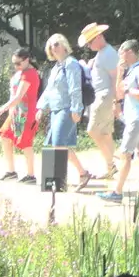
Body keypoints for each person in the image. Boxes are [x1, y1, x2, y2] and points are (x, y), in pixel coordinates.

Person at [37, 33, 95, 191]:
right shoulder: (56, 68)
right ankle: (83, 173)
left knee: (58, 143)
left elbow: (75, 88)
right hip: (55, 109)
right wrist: (41, 107)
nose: (53, 47)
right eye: (50, 45)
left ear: (64, 45)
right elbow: (49, 91)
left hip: (67, 109)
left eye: (56, 44)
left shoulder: (71, 64)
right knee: (58, 144)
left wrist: (77, 109)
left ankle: (56, 183)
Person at [98, 41, 139, 204]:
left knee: (125, 154)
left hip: (138, 119)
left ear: (129, 51)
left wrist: (129, 90)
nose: (119, 54)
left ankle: (117, 192)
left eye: (121, 51)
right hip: (136, 118)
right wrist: (120, 73)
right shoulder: (131, 72)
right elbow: (120, 93)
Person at [0, 47, 40, 182]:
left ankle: (31, 175)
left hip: (26, 114)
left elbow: (18, 97)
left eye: (18, 63)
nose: (16, 66)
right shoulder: (20, 73)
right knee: (5, 136)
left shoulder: (30, 74)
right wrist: (10, 111)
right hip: (16, 113)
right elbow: (14, 96)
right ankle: (11, 171)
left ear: (27, 60)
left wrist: (0, 110)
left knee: (25, 143)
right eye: (14, 64)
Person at [79, 23, 120, 180]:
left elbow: (116, 77)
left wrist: (116, 101)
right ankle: (110, 168)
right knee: (105, 133)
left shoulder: (108, 54)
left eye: (90, 42)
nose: (89, 46)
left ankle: (111, 164)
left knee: (92, 130)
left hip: (105, 96)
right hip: (101, 96)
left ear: (98, 37)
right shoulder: (103, 53)